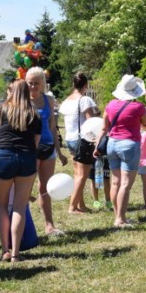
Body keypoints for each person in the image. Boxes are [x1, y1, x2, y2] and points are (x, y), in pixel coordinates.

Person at [0, 79, 41, 262]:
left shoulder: (0, 109)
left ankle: (5, 250)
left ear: (11, 91)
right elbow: (35, 144)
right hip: (26, 159)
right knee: (19, 207)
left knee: (1, 207)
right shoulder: (34, 114)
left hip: (4, 158)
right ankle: (16, 254)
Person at [103, 75, 146, 227]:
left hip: (112, 143)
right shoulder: (138, 107)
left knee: (115, 182)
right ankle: (120, 219)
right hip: (129, 144)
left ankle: (117, 215)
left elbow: (105, 125)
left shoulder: (110, 104)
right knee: (125, 184)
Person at [26, 68, 69, 234]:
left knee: (46, 188)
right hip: (30, 149)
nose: (33, 86)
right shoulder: (22, 100)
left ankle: (49, 225)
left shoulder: (48, 100)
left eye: (36, 83)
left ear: (42, 83)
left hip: (48, 147)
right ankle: (25, 228)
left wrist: (59, 152)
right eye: (30, 83)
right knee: (25, 189)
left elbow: (52, 127)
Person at [58, 72, 103, 217]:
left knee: (77, 174)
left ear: (73, 84)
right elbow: (91, 122)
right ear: (86, 85)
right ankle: (72, 207)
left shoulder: (67, 100)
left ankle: (80, 204)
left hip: (70, 140)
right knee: (82, 175)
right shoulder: (85, 100)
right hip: (82, 140)